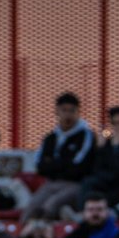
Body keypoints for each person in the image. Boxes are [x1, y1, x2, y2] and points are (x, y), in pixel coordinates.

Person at [25, 92, 97, 221]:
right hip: (51, 183)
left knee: (50, 206)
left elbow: (78, 167)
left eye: (71, 111)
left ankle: (44, 236)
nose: (68, 115)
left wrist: (53, 163)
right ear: (57, 111)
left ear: (78, 112)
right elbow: (40, 166)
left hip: (74, 185)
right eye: (64, 110)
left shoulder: (86, 136)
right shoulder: (51, 138)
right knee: (31, 208)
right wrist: (62, 163)